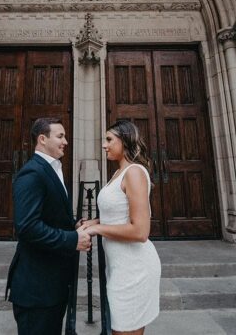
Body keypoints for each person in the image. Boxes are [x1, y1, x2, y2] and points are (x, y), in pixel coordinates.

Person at [6, 117, 92, 335]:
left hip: (52, 286)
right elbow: (27, 227)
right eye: (60, 136)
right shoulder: (32, 173)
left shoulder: (52, 169)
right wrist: (72, 240)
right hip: (37, 290)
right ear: (42, 139)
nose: (65, 141)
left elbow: (47, 217)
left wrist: (73, 227)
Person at [80, 120, 161, 335]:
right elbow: (119, 215)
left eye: (109, 140)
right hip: (119, 267)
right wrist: (94, 222)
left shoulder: (134, 172)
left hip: (135, 268)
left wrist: (97, 230)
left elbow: (140, 231)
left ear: (125, 141)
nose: (104, 145)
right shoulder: (118, 173)